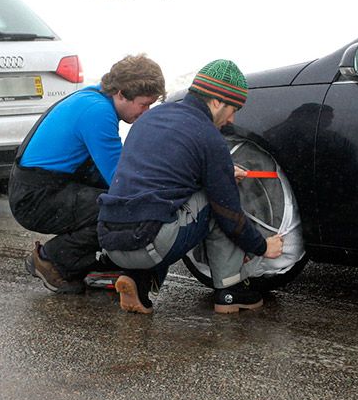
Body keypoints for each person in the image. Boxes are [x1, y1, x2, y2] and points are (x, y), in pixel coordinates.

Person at [97, 59, 285, 315]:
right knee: (216, 200)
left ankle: (138, 280)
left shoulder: (151, 117)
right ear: (216, 101)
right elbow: (229, 214)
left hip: (110, 240)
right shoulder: (209, 136)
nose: (232, 119)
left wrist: (219, 170)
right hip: (149, 243)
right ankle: (230, 291)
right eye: (233, 108)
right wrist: (262, 246)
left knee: (160, 202)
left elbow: (164, 174)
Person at [10, 54, 165, 293]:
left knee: (121, 203)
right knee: (119, 211)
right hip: (35, 197)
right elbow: (119, 179)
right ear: (122, 94)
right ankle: (53, 261)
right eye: (144, 105)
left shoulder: (96, 97)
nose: (146, 112)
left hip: (44, 185)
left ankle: (99, 264)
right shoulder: (98, 113)